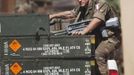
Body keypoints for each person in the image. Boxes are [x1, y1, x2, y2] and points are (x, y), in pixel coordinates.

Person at [50, 0, 121, 75]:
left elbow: (97, 20)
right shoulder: (83, 6)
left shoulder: (101, 4)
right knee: (86, 56)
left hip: (110, 39)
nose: (80, 0)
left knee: (98, 54)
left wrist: (83, 31)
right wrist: (53, 15)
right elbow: (71, 14)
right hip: (97, 38)